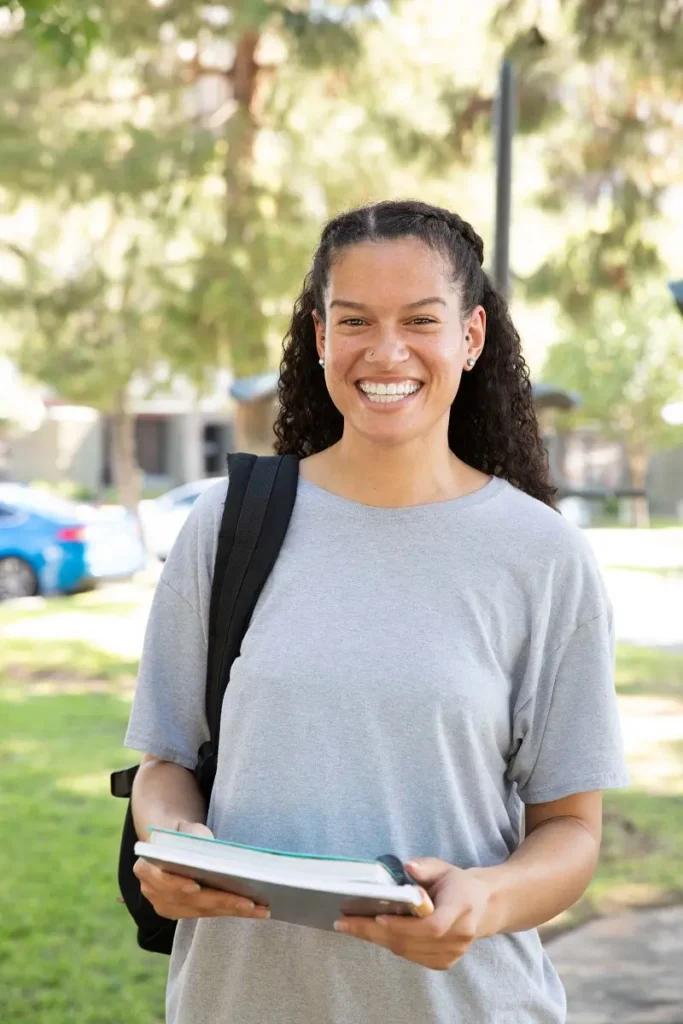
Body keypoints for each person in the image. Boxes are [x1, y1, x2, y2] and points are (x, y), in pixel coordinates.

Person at [126, 199, 629, 1024]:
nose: (384, 351)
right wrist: (175, 847)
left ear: (468, 338)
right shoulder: (228, 524)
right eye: (353, 319)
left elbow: (570, 829)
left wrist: (485, 902)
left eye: (419, 321)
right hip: (238, 1003)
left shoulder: (543, 556)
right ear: (321, 337)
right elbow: (165, 763)